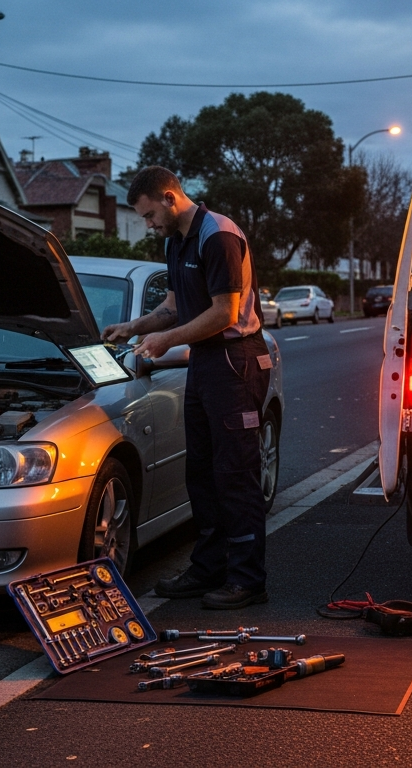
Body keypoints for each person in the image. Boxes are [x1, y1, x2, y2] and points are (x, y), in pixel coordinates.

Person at [101, 166, 271, 609]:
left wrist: (165, 341)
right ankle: (208, 568)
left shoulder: (218, 235)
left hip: (236, 361)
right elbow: (175, 307)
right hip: (206, 362)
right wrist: (135, 326)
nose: (148, 223)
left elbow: (224, 314)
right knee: (201, 471)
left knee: (236, 473)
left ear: (169, 197)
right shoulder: (174, 240)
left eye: (149, 214)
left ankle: (248, 580)